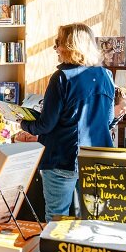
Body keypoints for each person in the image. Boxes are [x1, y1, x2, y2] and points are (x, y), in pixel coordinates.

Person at [14, 23, 114, 222]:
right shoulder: (106, 75)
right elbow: (108, 120)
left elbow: (46, 125)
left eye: (58, 43)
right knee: (90, 219)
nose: (55, 48)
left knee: (56, 219)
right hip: (96, 160)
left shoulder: (61, 78)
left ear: (70, 46)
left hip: (62, 157)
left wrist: (23, 122)